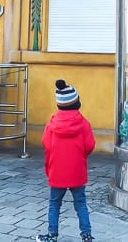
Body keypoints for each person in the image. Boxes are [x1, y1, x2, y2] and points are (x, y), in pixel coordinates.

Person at [36, 79, 96, 242]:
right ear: (77, 103)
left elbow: (46, 144)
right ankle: (86, 235)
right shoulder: (84, 124)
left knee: (55, 204)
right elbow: (90, 145)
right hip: (77, 171)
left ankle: (52, 235)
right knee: (81, 204)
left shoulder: (52, 124)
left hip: (57, 171)